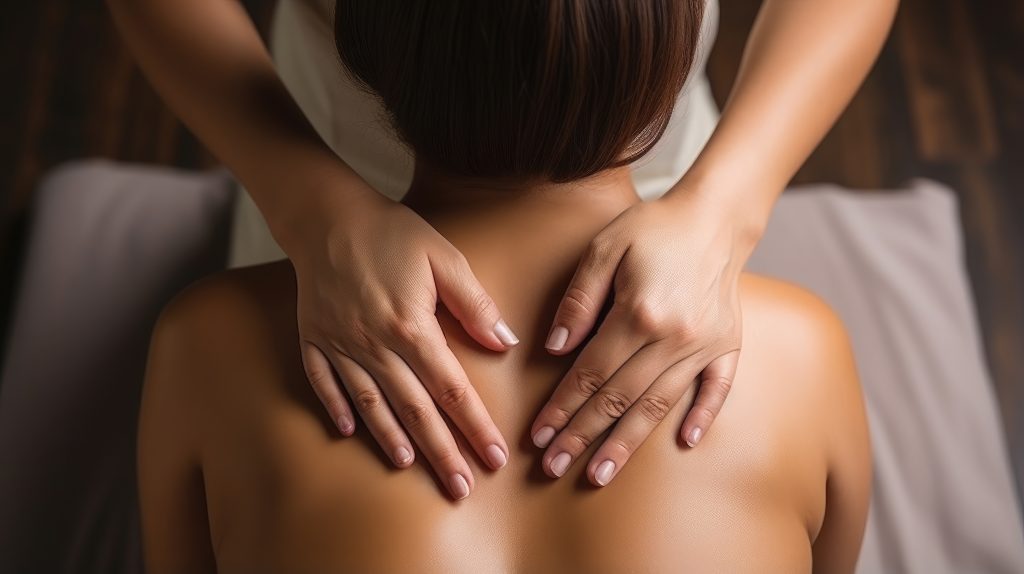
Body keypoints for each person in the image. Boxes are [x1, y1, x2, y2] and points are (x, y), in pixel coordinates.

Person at [138, 2, 872, 572]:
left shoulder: (204, 345)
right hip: (315, 178)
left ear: (363, 49)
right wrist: (306, 205)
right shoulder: (804, 354)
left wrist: (726, 207)